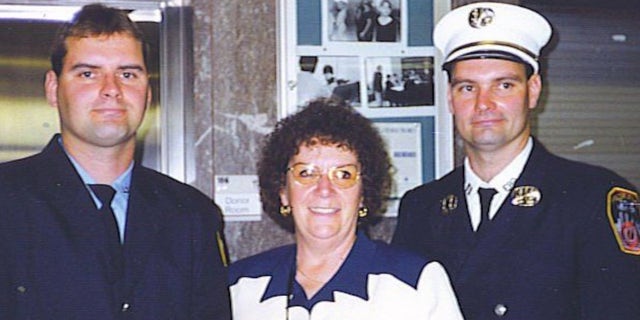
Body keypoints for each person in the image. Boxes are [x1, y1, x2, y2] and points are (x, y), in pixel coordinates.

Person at [392, 2, 640, 319]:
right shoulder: (421, 207)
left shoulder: (595, 197)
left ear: (533, 91)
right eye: (468, 87)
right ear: (451, 98)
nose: (484, 104)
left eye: (504, 85)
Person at [0, 4, 231, 319]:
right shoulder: (7, 202)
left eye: (127, 74)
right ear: (54, 89)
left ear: (147, 94)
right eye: (88, 74)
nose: (112, 90)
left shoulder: (192, 216)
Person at [228, 98, 463, 319]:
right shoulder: (239, 285)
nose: (324, 189)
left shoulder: (416, 281)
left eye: (344, 175)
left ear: (363, 194)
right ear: (283, 192)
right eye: (306, 173)